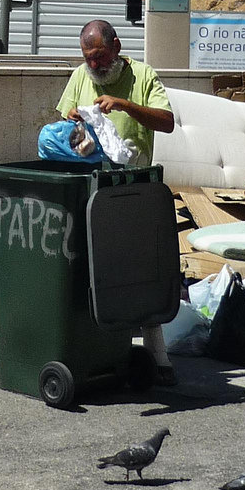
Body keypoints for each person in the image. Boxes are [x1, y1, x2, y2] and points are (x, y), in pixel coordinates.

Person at [56, 19, 178, 385]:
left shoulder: (142, 76)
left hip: (133, 189)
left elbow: (168, 121)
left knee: (141, 271)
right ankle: (100, 349)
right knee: (95, 273)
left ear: (117, 47)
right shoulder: (81, 76)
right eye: (88, 59)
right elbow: (63, 121)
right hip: (91, 188)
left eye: (99, 57)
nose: (94, 66)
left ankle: (159, 356)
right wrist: (74, 121)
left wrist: (124, 105)